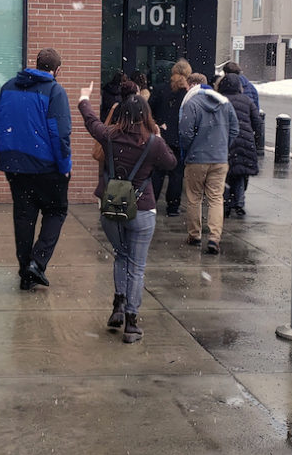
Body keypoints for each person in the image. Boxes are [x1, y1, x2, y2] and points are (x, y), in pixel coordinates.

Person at [78, 79, 176, 344]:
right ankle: (131, 323)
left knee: (121, 255)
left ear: (122, 114)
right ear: (146, 115)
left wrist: (83, 99)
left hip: (113, 203)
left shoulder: (110, 136)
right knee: (137, 265)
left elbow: (91, 122)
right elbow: (171, 163)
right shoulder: (153, 143)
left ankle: (117, 307)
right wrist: (158, 137)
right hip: (142, 207)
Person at [0, 47, 72, 290]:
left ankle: (25, 272)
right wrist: (65, 166)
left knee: (24, 217)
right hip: (46, 166)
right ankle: (37, 262)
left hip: (14, 165)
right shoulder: (55, 91)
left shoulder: (8, 87)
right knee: (56, 211)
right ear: (57, 70)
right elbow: (60, 134)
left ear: (36, 65)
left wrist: (10, 147)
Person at [179, 72, 239, 255]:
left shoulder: (191, 104)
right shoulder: (224, 103)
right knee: (215, 198)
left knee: (194, 197)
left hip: (196, 159)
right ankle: (214, 238)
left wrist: (189, 150)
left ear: (192, 86)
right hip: (219, 159)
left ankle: (194, 234)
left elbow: (185, 133)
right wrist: (222, 146)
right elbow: (235, 129)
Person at [149, 58, 192, 215]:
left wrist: (157, 124)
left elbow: (148, 110)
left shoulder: (161, 89)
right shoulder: (188, 94)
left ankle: (151, 204)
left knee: (157, 173)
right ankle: (173, 207)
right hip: (179, 139)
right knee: (176, 175)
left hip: (161, 137)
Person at [217, 72, 262, 217]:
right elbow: (257, 122)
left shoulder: (220, 101)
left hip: (226, 140)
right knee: (241, 173)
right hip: (245, 140)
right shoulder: (247, 101)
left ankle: (227, 201)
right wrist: (254, 137)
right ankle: (239, 202)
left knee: (226, 173)